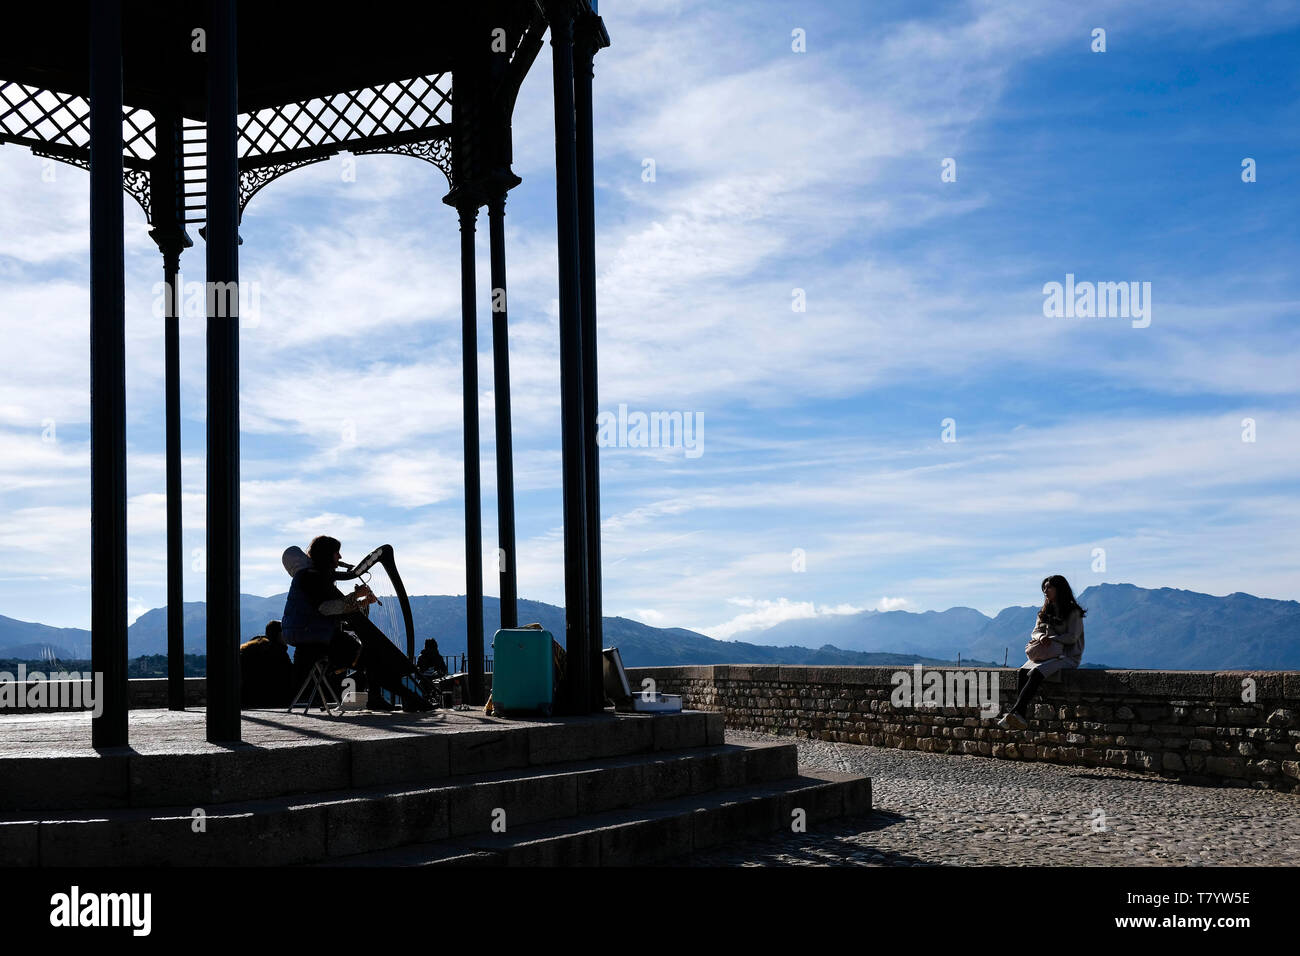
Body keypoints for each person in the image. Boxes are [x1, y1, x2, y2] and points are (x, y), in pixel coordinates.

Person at [282, 535, 431, 711]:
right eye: (337, 553)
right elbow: (326, 608)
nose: (340, 557)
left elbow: (334, 607)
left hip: (312, 635)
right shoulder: (311, 577)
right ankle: (409, 698)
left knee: (371, 654)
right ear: (327, 554)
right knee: (372, 657)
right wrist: (356, 596)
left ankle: (393, 698)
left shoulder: (311, 577)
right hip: (315, 638)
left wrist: (361, 602)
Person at [997, 574, 1086, 731]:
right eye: (1044, 587)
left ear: (1060, 589)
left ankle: (1013, 714)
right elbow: (1035, 632)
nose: (1045, 590)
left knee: (1037, 673)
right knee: (1023, 672)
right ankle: (1020, 715)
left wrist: (1051, 638)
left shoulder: (1073, 612)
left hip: (1066, 656)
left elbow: (1072, 636)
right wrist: (1042, 637)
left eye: (1049, 587)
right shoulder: (1044, 612)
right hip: (1046, 653)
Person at [239, 620, 292, 708]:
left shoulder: (251, 648)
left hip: (247, 697)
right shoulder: (278, 652)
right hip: (272, 699)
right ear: (279, 634)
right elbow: (288, 675)